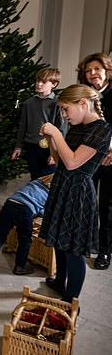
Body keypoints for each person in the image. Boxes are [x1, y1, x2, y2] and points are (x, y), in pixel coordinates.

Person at [39, 84, 112, 304]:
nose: (64, 115)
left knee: (73, 249)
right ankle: (60, 281)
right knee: (60, 241)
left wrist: (55, 133)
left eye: (65, 109)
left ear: (82, 103)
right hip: (62, 185)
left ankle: (72, 300)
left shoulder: (102, 129)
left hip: (78, 192)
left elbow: (72, 163)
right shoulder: (77, 125)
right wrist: (53, 139)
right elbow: (61, 158)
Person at [77, 52, 112, 270]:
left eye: (97, 69)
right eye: (88, 71)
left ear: (107, 70)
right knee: (85, 200)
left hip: (110, 158)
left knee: (107, 206)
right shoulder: (85, 95)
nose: (92, 74)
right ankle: (84, 243)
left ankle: (105, 251)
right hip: (88, 155)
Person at [0, 174, 53, 278]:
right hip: (25, 210)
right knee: (25, 240)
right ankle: (20, 266)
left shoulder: (36, 182)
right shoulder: (52, 194)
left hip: (9, 204)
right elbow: (44, 211)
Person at [11, 68, 66, 180]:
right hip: (31, 146)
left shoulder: (57, 104)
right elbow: (23, 126)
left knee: (48, 179)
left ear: (54, 84)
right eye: (37, 81)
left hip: (50, 148)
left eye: (43, 82)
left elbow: (61, 129)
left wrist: (55, 152)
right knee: (34, 178)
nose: (39, 84)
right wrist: (18, 146)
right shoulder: (28, 103)